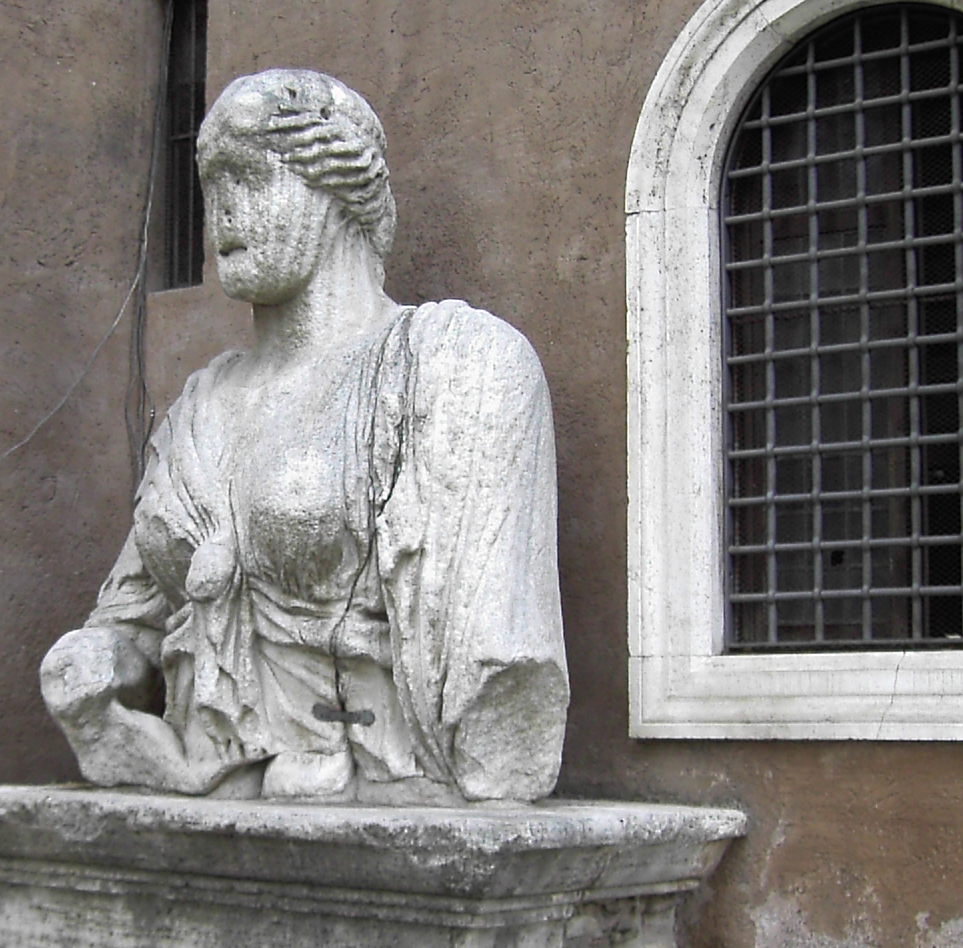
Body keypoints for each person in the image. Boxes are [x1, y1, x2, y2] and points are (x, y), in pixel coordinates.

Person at [41, 69, 568, 804]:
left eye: (249, 177)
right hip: (208, 782)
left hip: (385, 786)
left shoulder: (454, 365)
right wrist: (94, 662)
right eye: (212, 186)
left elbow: (501, 679)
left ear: (338, 189)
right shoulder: (200, 404)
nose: (223, 212)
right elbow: (136, 619)